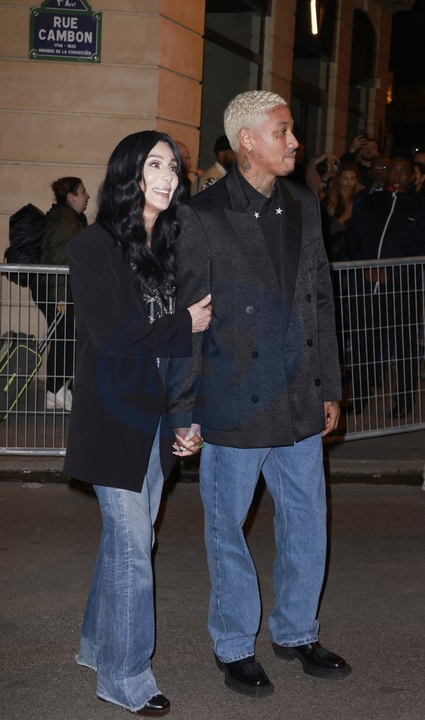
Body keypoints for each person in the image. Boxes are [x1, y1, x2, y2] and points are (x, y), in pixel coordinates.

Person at [166, 90, 351, 699]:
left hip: (299, 395)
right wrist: (184, 409)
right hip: (233, 400)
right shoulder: (201, 214)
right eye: (283, 131)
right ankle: (234, 645)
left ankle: (296, 632)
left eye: (291, 130)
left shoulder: (303, 202)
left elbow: (320, 299)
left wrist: (329, 386)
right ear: (247, 140)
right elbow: (191, 319)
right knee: (228, 529)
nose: (295, 142)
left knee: (308, 522)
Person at [64, 131, 212, 716]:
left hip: (155, 417)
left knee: (129, 540)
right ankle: (125, 676)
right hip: (111, 418)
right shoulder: (92, 246)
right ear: (128, 172)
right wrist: (182, 323)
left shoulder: (168, 247)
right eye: (155, 164)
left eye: (173, 167)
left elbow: (178, 356)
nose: (168, 176)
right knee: (132, 548)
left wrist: (184, 417)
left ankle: (95, 644)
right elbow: (113, 336)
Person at [347, 156, 425, 417]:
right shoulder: (370, 202)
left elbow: (420, 246)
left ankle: (404, 401)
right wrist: (363, 265)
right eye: (394, 170)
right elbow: (354, 237)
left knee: (404, 346)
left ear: (412, 175)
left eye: (404, 171)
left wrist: (392, 271)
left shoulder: (419, 205)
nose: (398, 175)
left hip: (402, 286)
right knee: (363, 343)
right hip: (367, 283)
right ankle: (359, 396)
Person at [32, 176, 89, 411]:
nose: (87, 196)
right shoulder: (68, 221)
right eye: (83, 192)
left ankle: (55, 392)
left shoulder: (70, 218)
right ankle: (55, 391)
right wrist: (60, 298)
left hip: (58, 290)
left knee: (66, 338)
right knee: (66, 339)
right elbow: (58, 260)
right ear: (72, 197)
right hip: (57, 291)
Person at [321, 162, 364, 261]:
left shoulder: (360, 199)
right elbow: (324, 230)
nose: (349, 182)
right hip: (336, 251)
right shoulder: (328, 202)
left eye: (352, 178)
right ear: (339, 179)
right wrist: (344, 217)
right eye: (345, 178)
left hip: (356, 250)